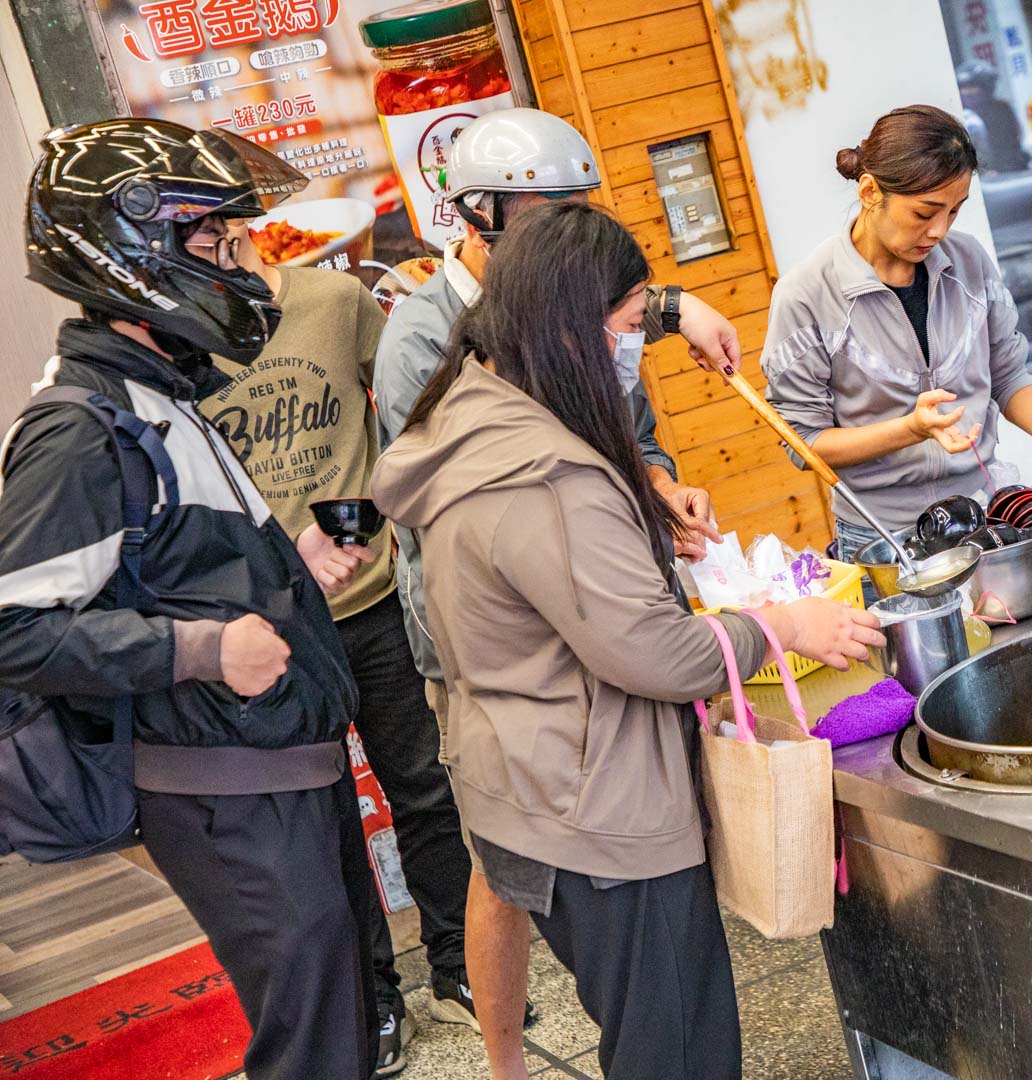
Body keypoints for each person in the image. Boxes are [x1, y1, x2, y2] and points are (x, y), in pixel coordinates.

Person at [369, 199, 883, 1080]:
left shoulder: (471, 411)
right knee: (676, 1050)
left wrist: (639, 509)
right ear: (571, 327)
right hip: (598, 805)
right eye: (630, 322)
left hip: (529, 775)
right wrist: (782, 626)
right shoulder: (545, 473)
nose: (633, 344)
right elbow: (653, 653)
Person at [371, 106, 743, 1079]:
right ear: (482, 218)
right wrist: (767, 631)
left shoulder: (570, 341)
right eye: (543, 217)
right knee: (542, 900)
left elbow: (627, 430)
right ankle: (503, 1057)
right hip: (513, 670)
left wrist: (656, 489)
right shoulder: (441, 354)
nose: (558, 238)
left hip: (560, 681)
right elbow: (636, 642)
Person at [0, 119, 376, 1078]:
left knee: (338, 1014)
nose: (235, 263)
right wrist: (200, 652)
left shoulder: (166, 394)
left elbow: (171, 559)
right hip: (223, 792)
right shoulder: (81, 430)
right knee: (312, 1042)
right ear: (132, 256)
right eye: (212, 244)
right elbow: (15, 630)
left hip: (280, 767)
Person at [198, 227, 482, 1074]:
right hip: (274, 632)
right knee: (327, 826)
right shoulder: (188, 341)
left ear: (239, 236)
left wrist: (355, 525)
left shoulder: (334, 302)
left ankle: (459, 968)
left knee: (426, 790)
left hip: (372, 602)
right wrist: (281, 573)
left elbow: (404, 417)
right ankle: (374, 1001)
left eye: (209, 244)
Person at [763, 104, 1032, 568]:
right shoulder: (807, 295)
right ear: (869, 191)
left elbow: (1008, 373)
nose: (938, 231)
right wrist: (910, 430)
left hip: (981, 514)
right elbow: (804, 442)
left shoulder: (969, 263)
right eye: (924, 212)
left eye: (954, 212)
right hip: (880, 536)